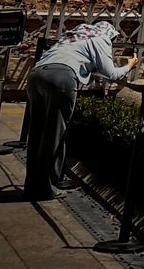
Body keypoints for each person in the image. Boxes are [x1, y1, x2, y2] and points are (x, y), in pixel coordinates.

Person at [25, 18, 133, 201]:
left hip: (36, 76)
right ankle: (45, 188)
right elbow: (112, 74)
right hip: (61, 79)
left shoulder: (73, 36)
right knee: (54, 134)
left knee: (37, 132)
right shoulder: (101, 39)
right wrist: (130, 64)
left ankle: (36, 184)